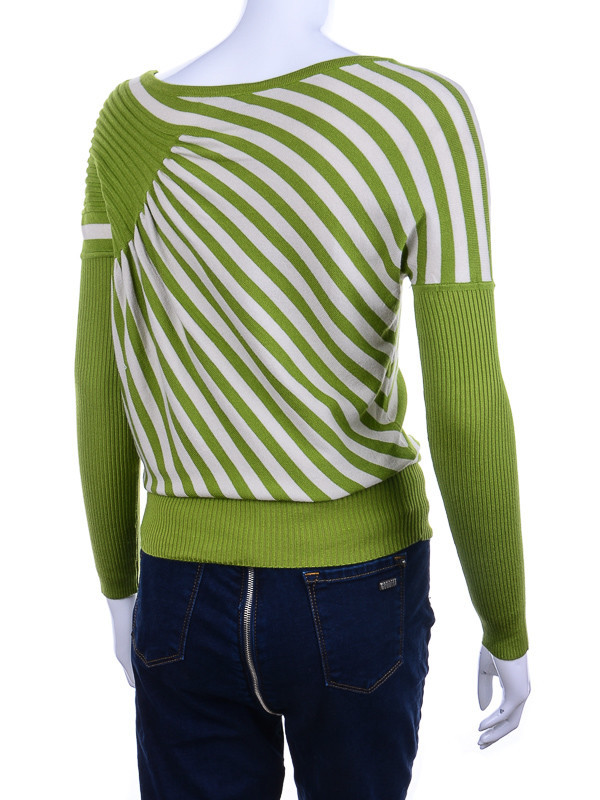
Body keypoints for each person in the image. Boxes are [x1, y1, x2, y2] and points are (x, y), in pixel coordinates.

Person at [74, 0, 531, 797]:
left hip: (180, 589)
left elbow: (99, 376)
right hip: (359, 586)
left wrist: (120, 587)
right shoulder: (422, 116)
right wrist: (507, 624)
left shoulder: (132, 122)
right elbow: (466, 407)